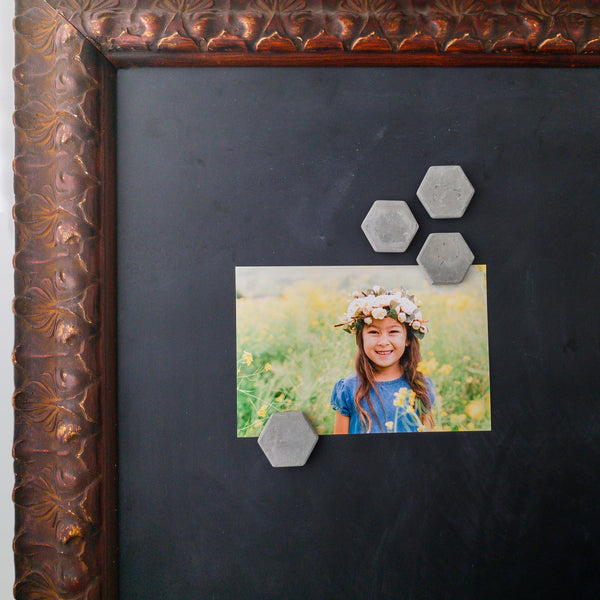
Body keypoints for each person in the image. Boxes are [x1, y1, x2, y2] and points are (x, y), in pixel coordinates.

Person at [331, 286, 436, 434]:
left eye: (393, 331)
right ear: (360, 338)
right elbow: (340, 448)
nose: (383, 342)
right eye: (374, 332)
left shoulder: (422, 387)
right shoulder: (348, 388)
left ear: (407, 339)